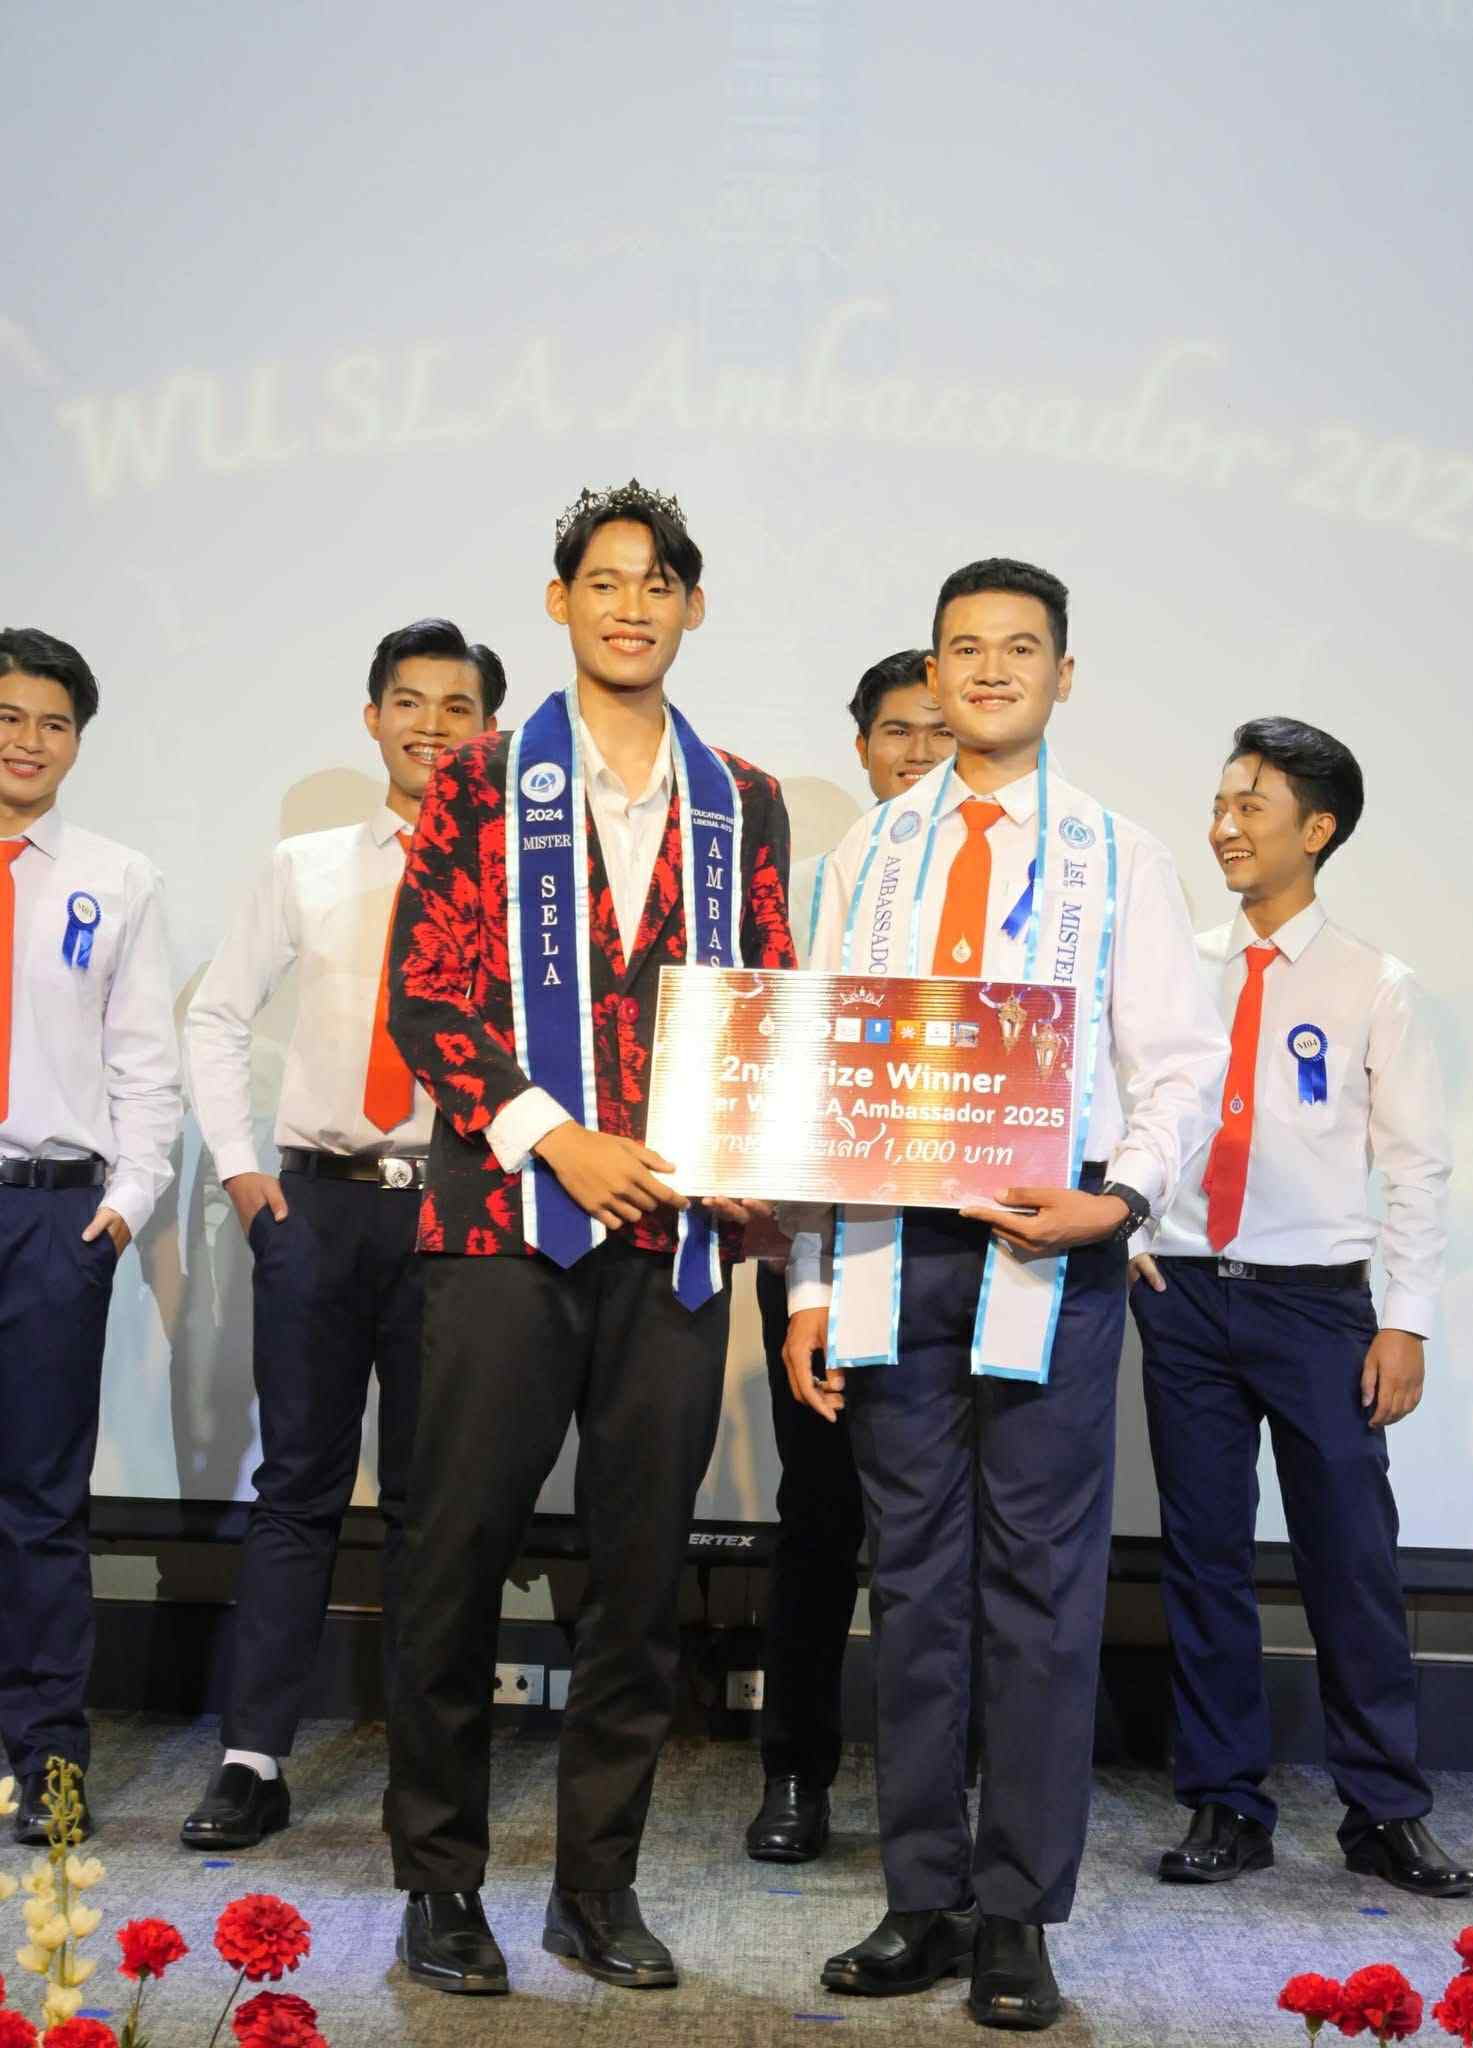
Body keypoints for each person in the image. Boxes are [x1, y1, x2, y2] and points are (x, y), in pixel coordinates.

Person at [781, 559, 1226, 2031]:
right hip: (891, 1254)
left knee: (1040, 1589)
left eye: (1019, 648)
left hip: (1051, 1249)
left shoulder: (1119, 856)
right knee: (913, 1586)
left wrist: (1123, 1197)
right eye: (964, 648)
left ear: (1062, 676)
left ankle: (1020, 1911)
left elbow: (1179, 1065)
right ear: (933, 670)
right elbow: (822, 1077)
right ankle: (922, 1895)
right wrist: (805, 1282)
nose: (989, 670)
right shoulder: (866, 854)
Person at [387, 481, 794, 1997]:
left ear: (693, 606)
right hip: (502, 1227)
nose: (632, 605)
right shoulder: (482, 779)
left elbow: (766, 1007)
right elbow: (426, 996)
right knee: (455, 1559)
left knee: (639, 1578)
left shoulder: (741, 798)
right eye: (605, 580)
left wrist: (753, 1164)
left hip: (673, 1248)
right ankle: (440, 1884)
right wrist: (556, 1134)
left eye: (658, 582)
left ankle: (595, 1888)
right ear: (560, 601)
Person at [1130, 716, 1473, 1898]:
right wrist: (1133, 1228)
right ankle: (1226, 1801)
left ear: (1317, 829)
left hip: (1319, 1305)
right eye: (1220, 803)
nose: (1224, 826)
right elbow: (1134, 1105)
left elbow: (1416, 1166)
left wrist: (1406, 1319)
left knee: (1351, 1559)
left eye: (1252, 807)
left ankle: (1384, 1807)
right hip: (1184, 1294)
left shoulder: (1377, 984)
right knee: (1204, 1557)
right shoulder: (1180, 964)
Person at [176, 620, 503, 1850]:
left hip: (453, 1205)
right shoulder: (302, 864)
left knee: (432, 1500)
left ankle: (425, 1767)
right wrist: (242, 1168)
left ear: (490, 733)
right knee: (297, 1486)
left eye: (458, 708)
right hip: (316, 1203)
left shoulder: (515, 884)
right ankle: (252, 1758)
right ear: (374, 718)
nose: (433, 726)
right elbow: (217, 1014)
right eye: (410, 702)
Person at [747, 647, 953, 1865]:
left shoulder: (1021, 891)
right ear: (862, 747)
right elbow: (782, 1086)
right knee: (819, 1519)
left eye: (939, 728)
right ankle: (795, 1774)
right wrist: (804, 1267)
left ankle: (942, 1790)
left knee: (949, 1542)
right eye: (896, 731)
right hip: (824, 1252)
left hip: (965, 1256)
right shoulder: (812, 893)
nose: (919, 751)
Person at [0, 627, 181, 1843]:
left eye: (53, 722)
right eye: (9, 716)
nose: (29, 740)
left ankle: (48, 1764)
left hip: (50, 1213)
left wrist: (121, 1208)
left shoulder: (115, 878)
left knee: (39, 1503)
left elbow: (145, 1063)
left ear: (77, 741)